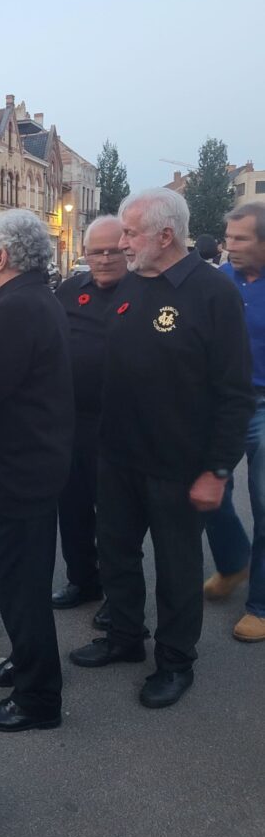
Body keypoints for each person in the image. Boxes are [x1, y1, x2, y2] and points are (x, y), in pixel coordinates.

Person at [70, 189, 254, 708]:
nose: (121, 243)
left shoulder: (211, 293)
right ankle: (125, 637)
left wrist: (217, 470)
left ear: (165, 235)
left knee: (176, 569)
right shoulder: (131, 284)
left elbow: (234, 393)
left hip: (179, 465)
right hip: (118, 456)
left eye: (130, 233)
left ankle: (175, 661)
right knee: (117, 554)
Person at [0, 210, 73, 733]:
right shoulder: (33, 299)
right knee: (20, 585)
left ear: (2, 256)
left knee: (21, 586)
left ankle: (38, 698)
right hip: (30, 464)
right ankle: (26, 660)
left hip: (15, 472)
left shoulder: (16, 309)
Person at [51, 216, 127, 620]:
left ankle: (118, 596)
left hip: (117, 424)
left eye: (113, 250)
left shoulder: (140, 291)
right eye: (96, 251)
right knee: (72, 507)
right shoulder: (69, 290)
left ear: (127, 249)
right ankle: (82, 579)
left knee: (114, 518)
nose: (104, 258)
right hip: (71, 421)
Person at [203, 202, 265, 641]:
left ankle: (260, 606)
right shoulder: (219, 280)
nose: (231, 245)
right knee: (207, 490)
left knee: (264, 503)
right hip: (221, 404)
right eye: (229, 237)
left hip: (263, 405)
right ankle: (233, 561)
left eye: (241, 238)